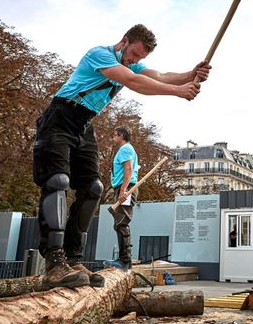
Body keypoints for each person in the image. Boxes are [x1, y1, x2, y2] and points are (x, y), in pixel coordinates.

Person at [33, 24, 210, 289]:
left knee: (93, 188)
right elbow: (134, 81)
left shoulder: (132, 63)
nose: (134, 61)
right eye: (134, 54)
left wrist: (191, 74)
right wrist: (178, 91)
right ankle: (54, 261)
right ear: (124, 41)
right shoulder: (99, 54)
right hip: (60, 118)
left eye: (139, 59)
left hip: (84, 123)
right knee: (57, 181)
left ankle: (72, 258)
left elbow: (160, 75)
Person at [110, 126, 139, 269]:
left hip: (125, 188)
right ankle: (124, 259)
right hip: (124, 187)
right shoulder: (127, 149)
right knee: (120, 222)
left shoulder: (125, 149)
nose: (113, 138)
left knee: (121, 222)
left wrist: (123, 190)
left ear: (121, 135)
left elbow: (128, 169)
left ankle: (124, 260)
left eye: (114, 135)